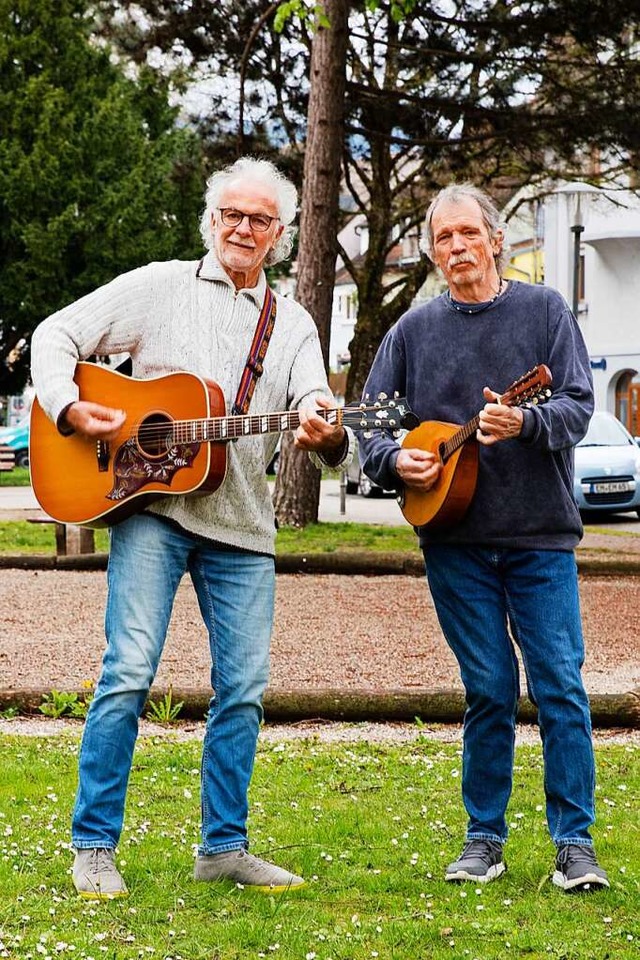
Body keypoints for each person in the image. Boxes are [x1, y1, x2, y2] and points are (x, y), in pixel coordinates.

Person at [30, 156, 352, 899]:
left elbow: (322, 412)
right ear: (211, 221)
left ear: (280, 235)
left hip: (242, 527)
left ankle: (224, 848)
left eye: (260, 219)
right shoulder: (157, 287)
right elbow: (55, 334)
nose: (244, 228)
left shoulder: (294, 322)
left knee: (242, 690)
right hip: (151, 512)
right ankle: (94, 845)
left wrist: (326, 433)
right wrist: (69, 407)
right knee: (128, 674)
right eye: (232, 215)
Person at [358, 183, 610, 893]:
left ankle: (575, 843)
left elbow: (577, 407)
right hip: (453, 541)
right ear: (435, 251)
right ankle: (484, 839)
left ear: (496, 239)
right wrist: (392, 459)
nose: (458, 247)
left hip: (540, 537)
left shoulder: (545, 311)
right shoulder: (413, 330)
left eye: (469, 233)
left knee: (560, 685)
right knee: (490, 688)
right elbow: (371, 426)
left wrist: (524, 423)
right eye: (444, 238)